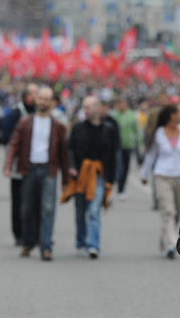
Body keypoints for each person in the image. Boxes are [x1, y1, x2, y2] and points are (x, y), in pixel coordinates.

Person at [3, 87, 69, 261]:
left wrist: (66, 180)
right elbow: (14, 145)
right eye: (40, 98)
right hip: (29, 168)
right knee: (27, 209)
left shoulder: (58, 126)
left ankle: (46, 246)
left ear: (52, 102)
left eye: (46, 99)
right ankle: (28, 242)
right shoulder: (25, 122)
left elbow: (64, 153)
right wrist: (8, 165)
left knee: (47, 209)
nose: (43, 102)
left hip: (49, 170)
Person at [62, 95, 118, 259]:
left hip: (99, 175)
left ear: (98, 109)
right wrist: (71, 167)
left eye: (88, 107)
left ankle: (94, 245)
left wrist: (111, 179)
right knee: (80, 212)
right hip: (80, 175)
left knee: (94, 211)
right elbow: (70, 149)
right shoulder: (78, 127)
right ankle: (80, 242)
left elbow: (113, 156)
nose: (84, 111)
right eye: (84, 107)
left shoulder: (109, 130)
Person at [140, 103, 180, 259]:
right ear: (172, 115)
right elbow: (150, 156)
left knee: (177, 212)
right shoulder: (158, 133)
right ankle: (172, 244)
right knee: (168, 211)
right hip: (162, 175)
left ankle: (165, 242)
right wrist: (144, 175)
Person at [2, 82, 38, 245]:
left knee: (34, 200)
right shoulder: (16, 113)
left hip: (36, 163)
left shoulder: (41, 113)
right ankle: (19, 234)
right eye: (35, 94)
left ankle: (34, 233)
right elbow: (6, 136)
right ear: (27, 96)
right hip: (19, 163)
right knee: (18, 201)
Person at [113, 97, 140, 200]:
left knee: (126, 169)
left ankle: (122, 189)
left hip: (128, 145)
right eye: (120, 103)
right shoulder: (115, 115)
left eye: (123, 103)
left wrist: (139, 143)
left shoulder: (131, 115)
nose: (121, 105)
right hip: (117, 146)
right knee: (119, 168)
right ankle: (118, 187)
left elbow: (136, 130)